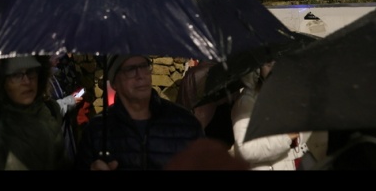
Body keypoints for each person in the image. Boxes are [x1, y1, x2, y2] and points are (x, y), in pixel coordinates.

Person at [74, 54, 204, 170]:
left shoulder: (185, 123)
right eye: (131, 69)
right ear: (114, 83)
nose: (140, 75)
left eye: (144, 66)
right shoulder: (97, 131)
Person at [231, 62, 312, 170]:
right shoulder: (247, 102)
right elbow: (245, 149)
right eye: (269, 64)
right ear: (256, 69)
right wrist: (286, 137)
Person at [48, 54, 83, 163]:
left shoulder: (53, 76)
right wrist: (73, 99)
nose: (58, 59)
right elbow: (52, 109)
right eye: (54, 56)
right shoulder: (43, 80)